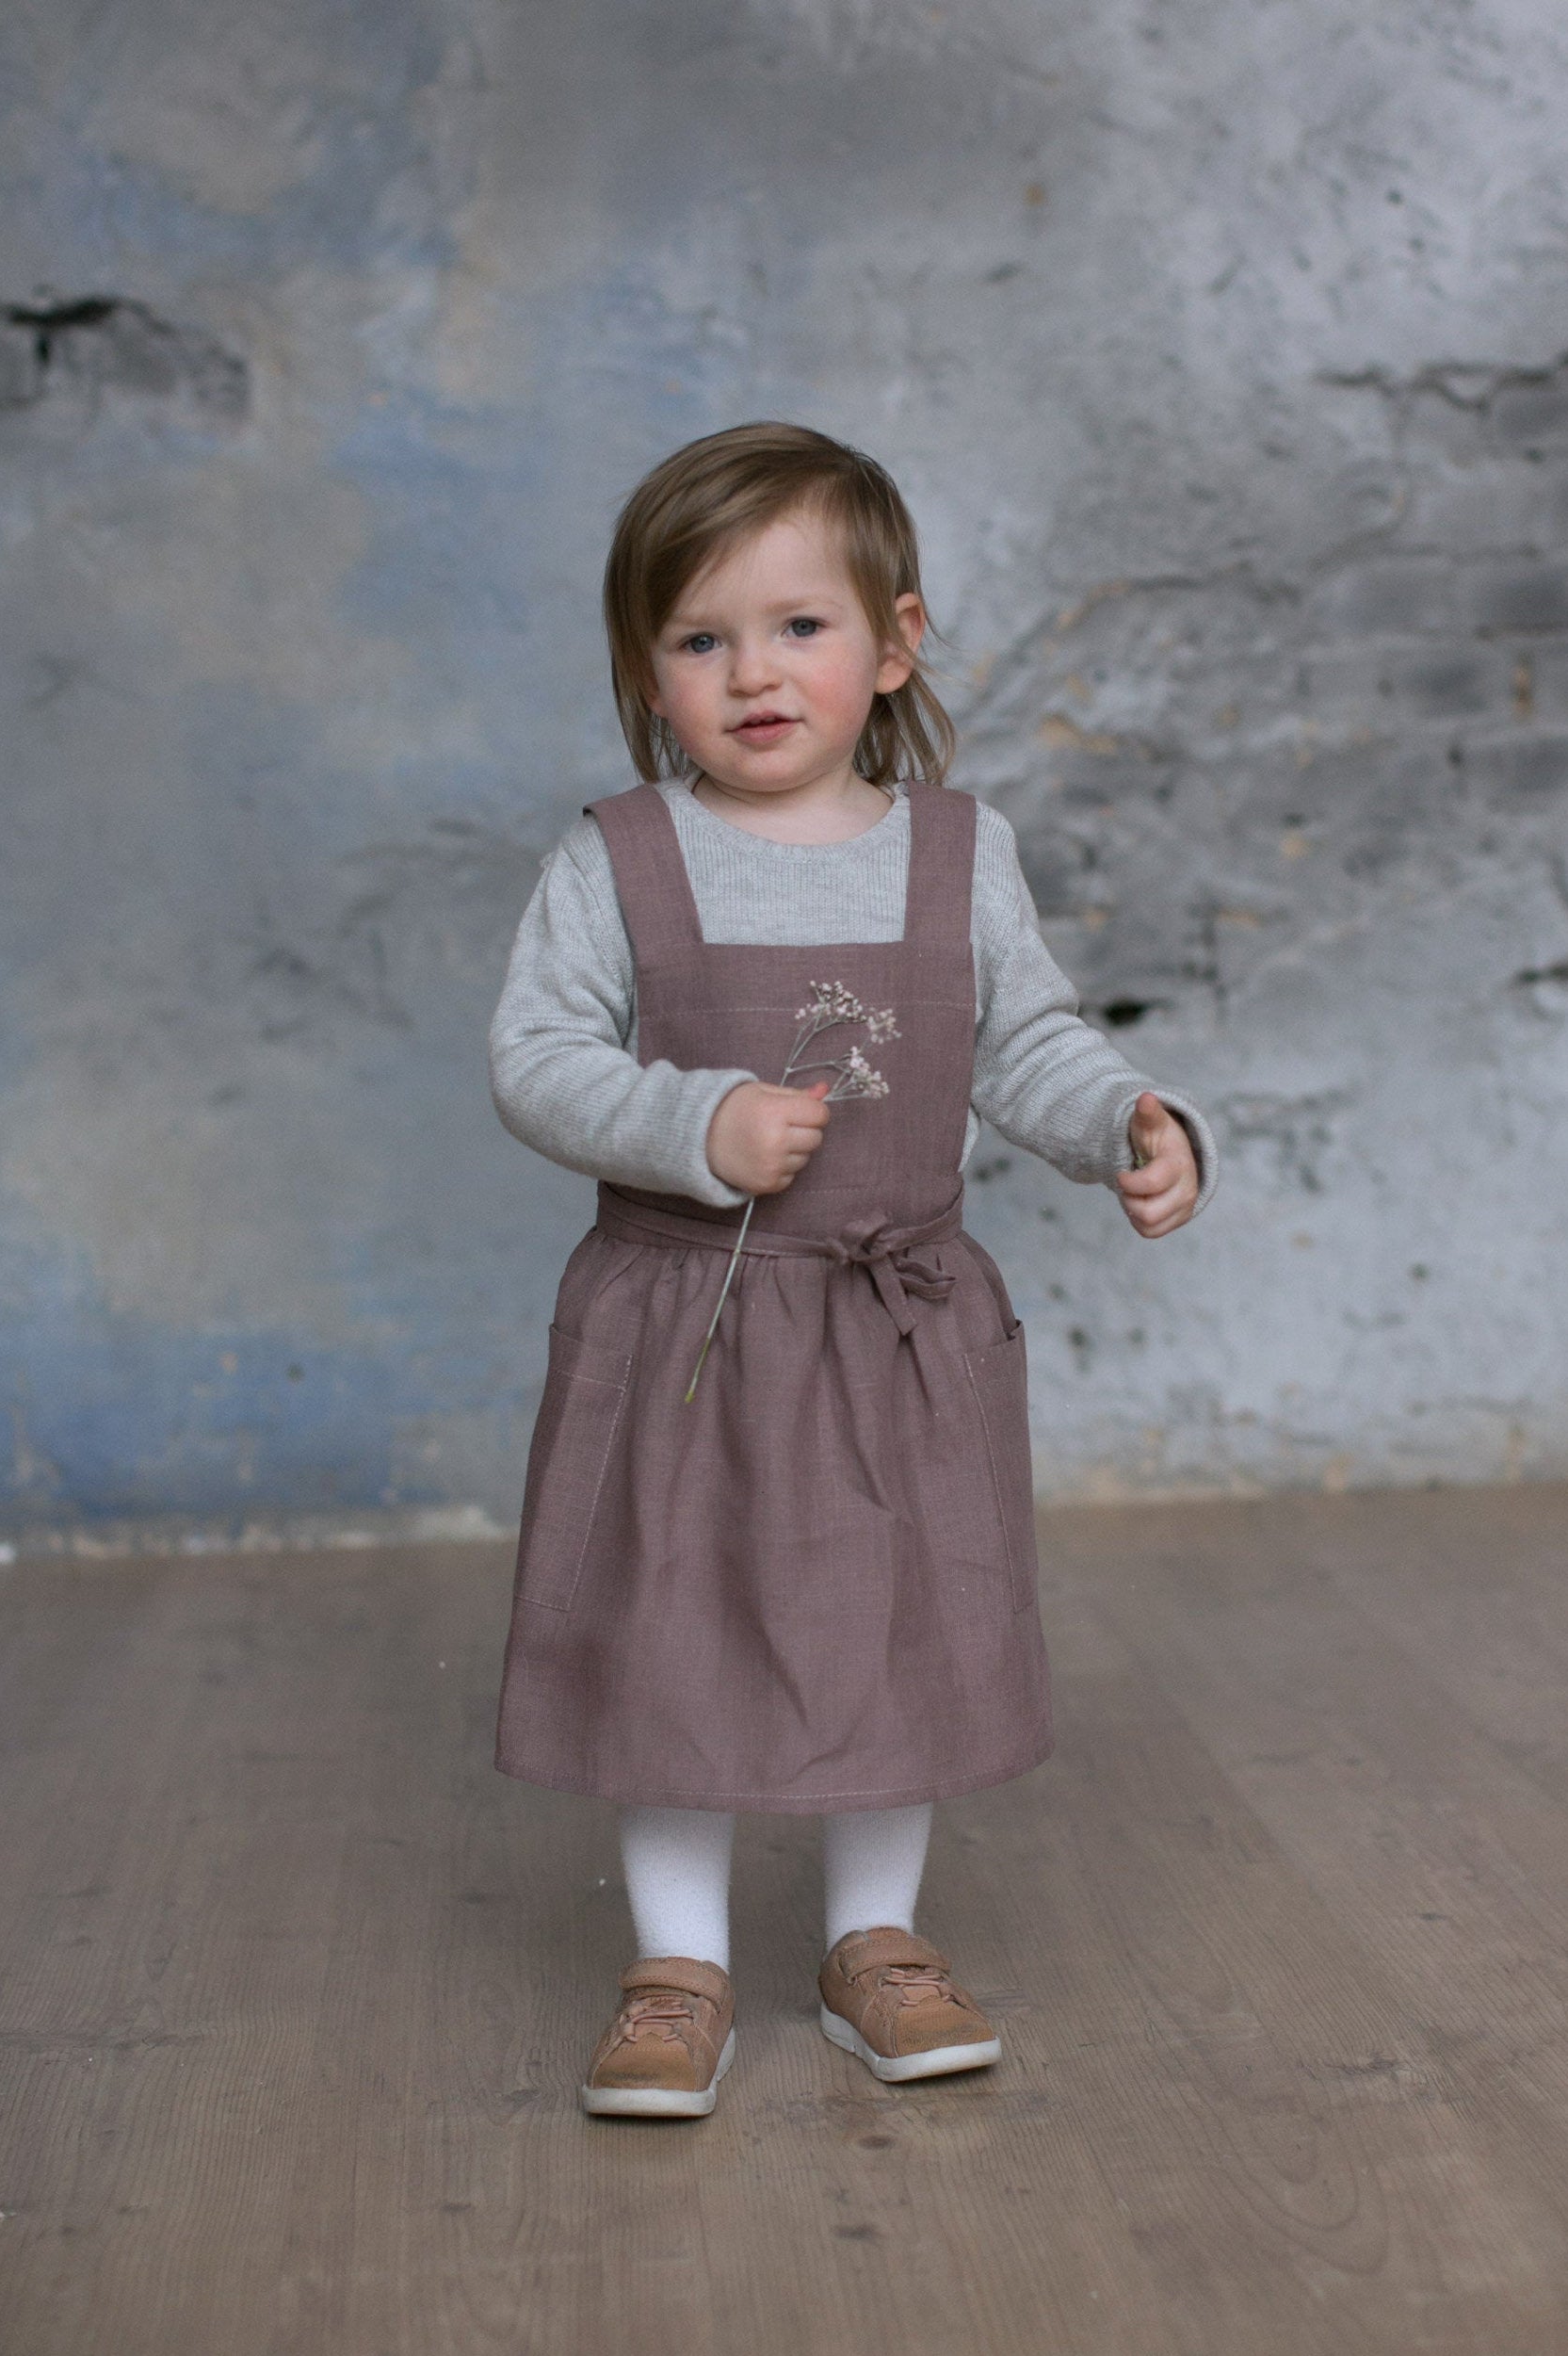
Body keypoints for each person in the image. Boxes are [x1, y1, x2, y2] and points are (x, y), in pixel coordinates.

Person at [489, 422, 1217, 2119]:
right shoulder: (615, 862)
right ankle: (677, 1962)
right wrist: (693, 1121)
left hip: (896, 1328)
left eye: (799, 626)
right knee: (679, 1626)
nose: (752, 671)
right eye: (698, 638)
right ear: (646, 670)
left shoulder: (958, 852)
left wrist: (1122, 1114)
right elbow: (534, 1059)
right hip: (687, 1321)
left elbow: (1019, 1039)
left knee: (898, 1629)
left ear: (892, 642)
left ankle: (872, 1936)